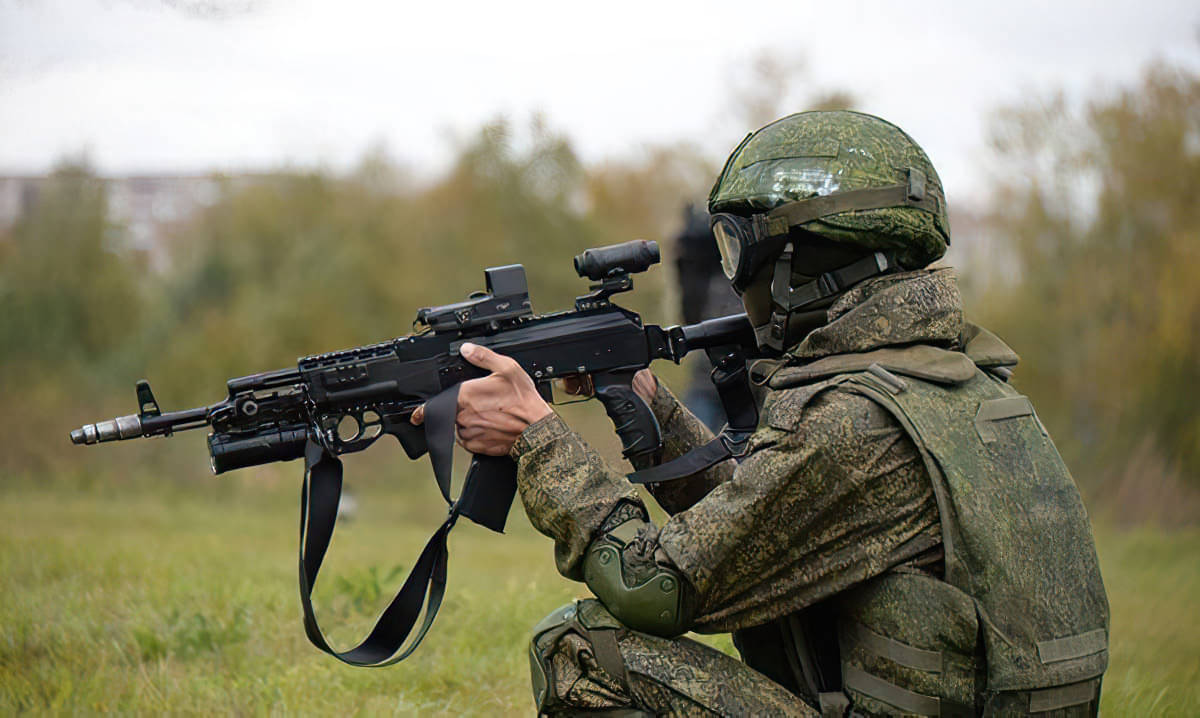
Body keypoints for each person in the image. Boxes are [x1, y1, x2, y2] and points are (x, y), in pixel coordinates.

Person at [424, 111, 1109, 716]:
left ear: (799, 262)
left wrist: (538, 438)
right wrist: (650, 406)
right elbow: (762, 524)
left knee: (581, 648)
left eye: (736, 249)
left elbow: (652, 587)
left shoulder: (855, 421)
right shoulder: (962, 387)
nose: (732, 276)